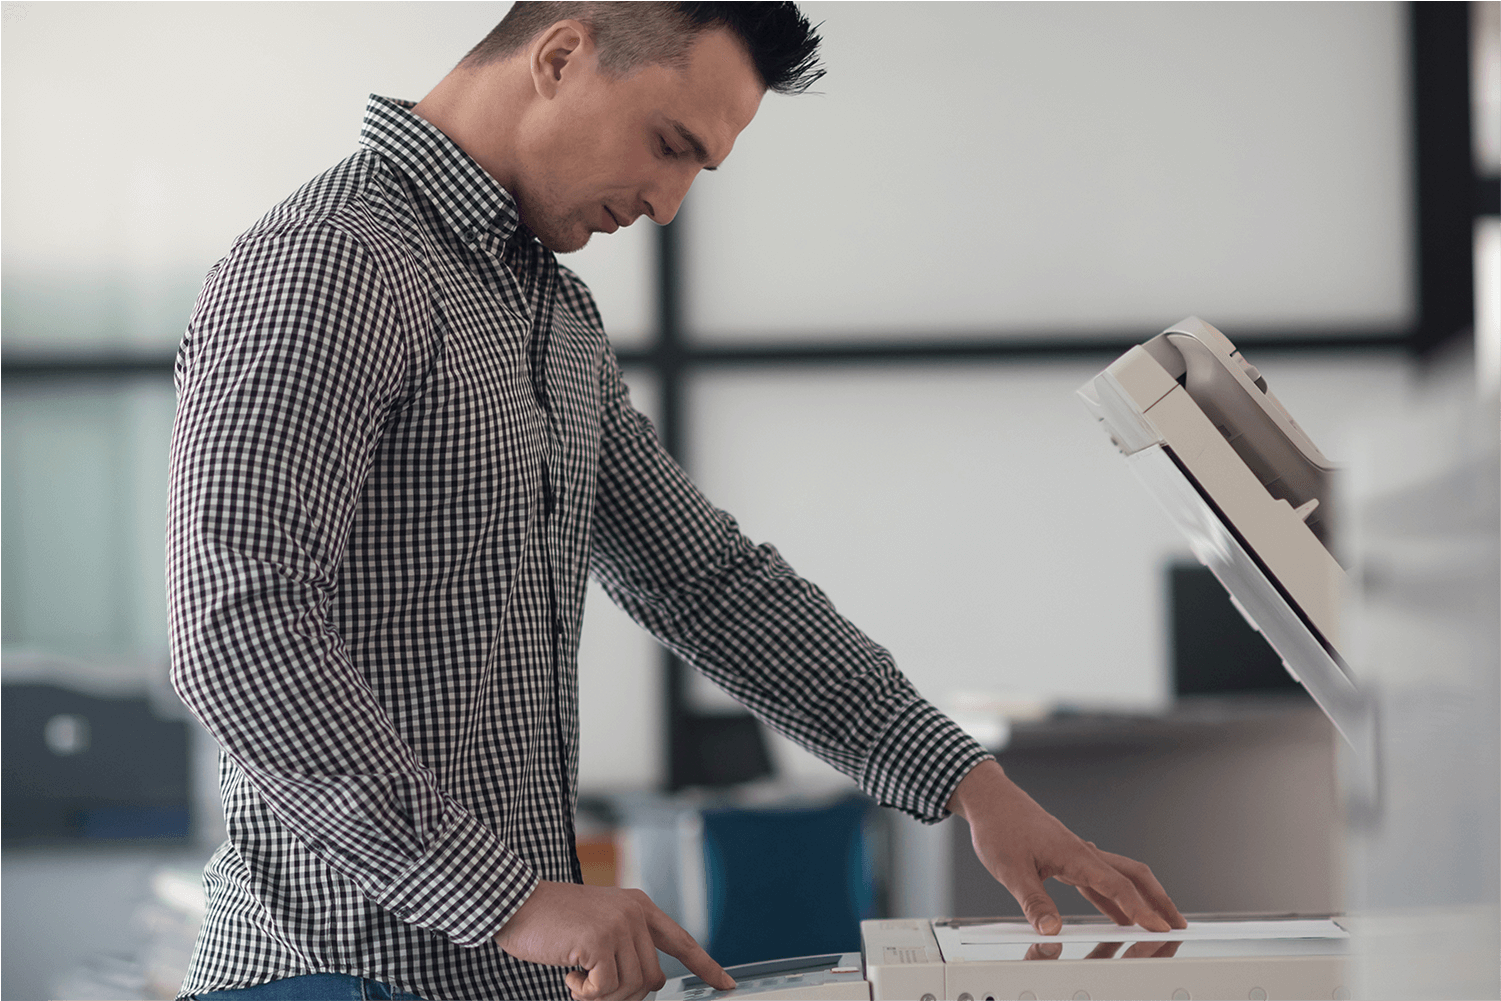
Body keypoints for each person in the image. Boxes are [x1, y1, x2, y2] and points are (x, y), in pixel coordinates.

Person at [166, 4, 1184, 1000]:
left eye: (695, 168)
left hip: (499, 975)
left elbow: (710, 585)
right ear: (561, 56)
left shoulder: (553, 313)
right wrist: (516, 902)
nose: (665, 204)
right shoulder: (331, 263)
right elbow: (236, 624)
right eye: (666, 144)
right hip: (337, 971)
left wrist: (973, 787)